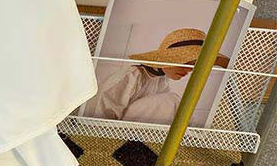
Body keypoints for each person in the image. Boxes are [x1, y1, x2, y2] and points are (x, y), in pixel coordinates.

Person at [82, 28, 230, 124]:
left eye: (193, 66)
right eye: (184, 63)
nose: (187, 71)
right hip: (107, 128)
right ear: (166, 59)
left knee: (176, 102)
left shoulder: (161, 80)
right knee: (172, 101)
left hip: (135, 128)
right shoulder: (132, 75)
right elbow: (103, 110)